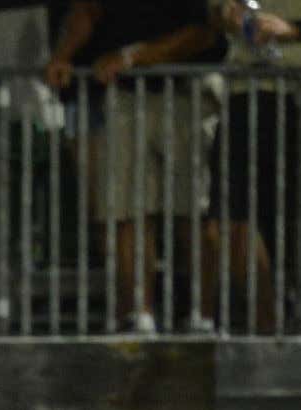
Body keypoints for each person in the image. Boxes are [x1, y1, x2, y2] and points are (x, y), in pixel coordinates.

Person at [46, 0, 223, 333]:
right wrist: (62, 55)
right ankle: (138, 314)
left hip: (186, 90)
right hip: (124, 92)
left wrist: (135, 56)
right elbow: (88, 9)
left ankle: (204, 315)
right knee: (126, 211)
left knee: (194, 211)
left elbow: (203, 32)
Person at [203, 0, 301, 332]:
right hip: (243, 91)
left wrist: (294, 30)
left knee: (287, 222)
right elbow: (215, 14)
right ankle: (267, 321)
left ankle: (278, 319)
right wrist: (228, 15)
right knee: (226, 222)